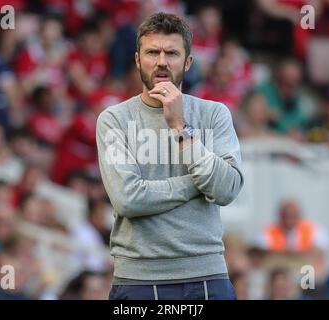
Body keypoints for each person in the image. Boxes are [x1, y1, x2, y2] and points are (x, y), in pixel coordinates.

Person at [96, 12, 244, 300]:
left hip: (207, 274)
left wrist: (180, 127)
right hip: (139, 278)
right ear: (138, 60)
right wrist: (197, 184)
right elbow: (128, 199)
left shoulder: (214, 114)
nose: (162, 61)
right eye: (152, 52)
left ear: (188, 62)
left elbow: (226, 190)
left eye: (172, 53)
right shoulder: (114, 119)